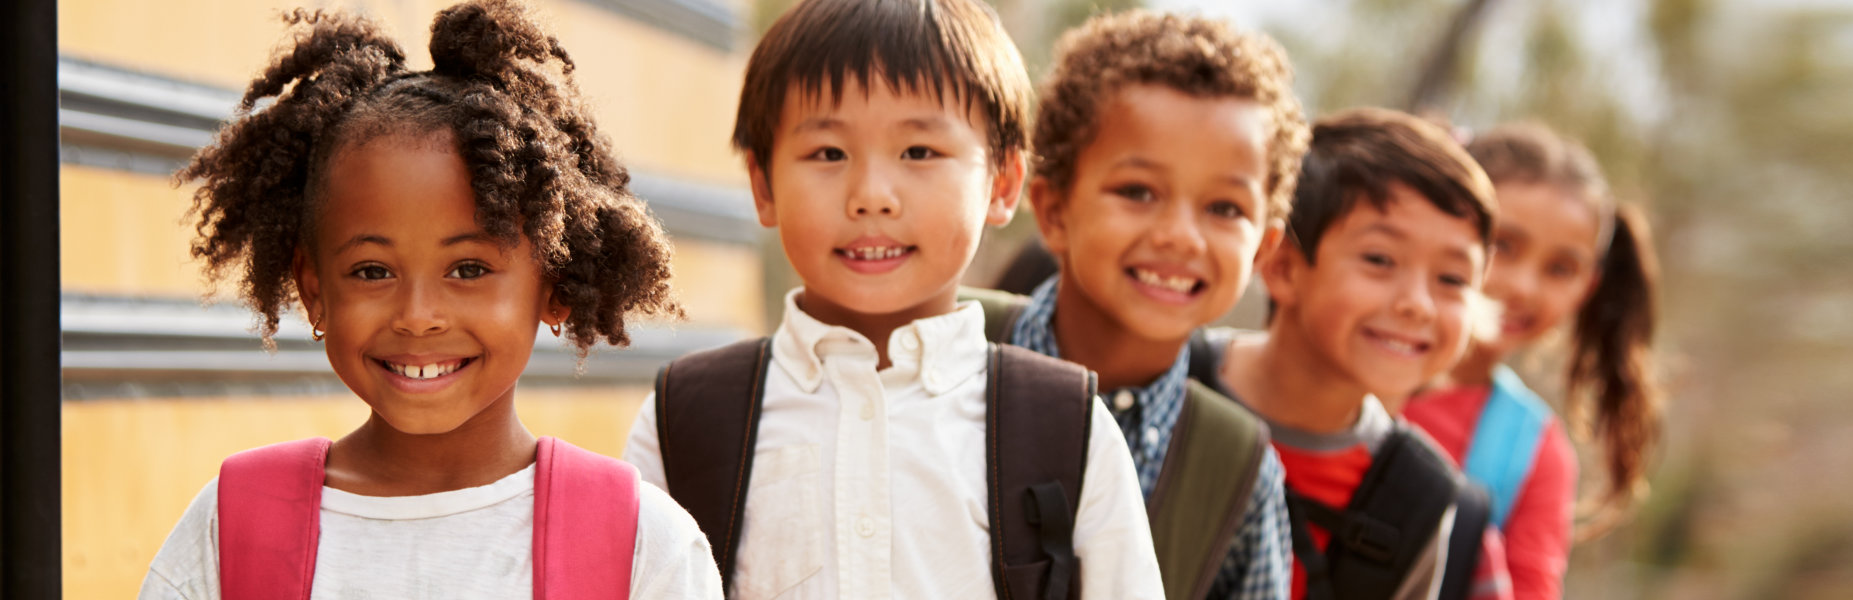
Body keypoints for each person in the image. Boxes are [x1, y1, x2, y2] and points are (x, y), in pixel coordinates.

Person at [139, 2, 718, 598]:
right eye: (371, 270)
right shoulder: (230, 530)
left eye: (468, 269)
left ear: (556, 286)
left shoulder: (641, 545)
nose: (417, 315)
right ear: (315, 289)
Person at [622, 0, 1162, 598]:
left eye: (919, 152)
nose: (872, 196)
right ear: (763, 185)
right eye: (828, 153)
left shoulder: (1067, 426)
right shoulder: (686, 420)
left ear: (1002, 184)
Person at [980, 10, 1309, 599]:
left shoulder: (1237, 473)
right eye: (1138, 192)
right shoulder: (939, 342)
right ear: (1054, 211)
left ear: (1262, 249)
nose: (1182, 236)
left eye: (1224, 208)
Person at [1214, 108, 1514, 600]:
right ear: (1283, 267)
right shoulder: (1165, 390)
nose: (1417, 304)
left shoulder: (1420, 498)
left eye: (1453, 279)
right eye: (1379, 260)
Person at [1402, 122, 1662, 599]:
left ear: (1587, 288)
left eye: (1560, 269)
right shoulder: (1341, 370)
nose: (1524, 286)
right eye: (1503, 244)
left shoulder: (1531, 452)